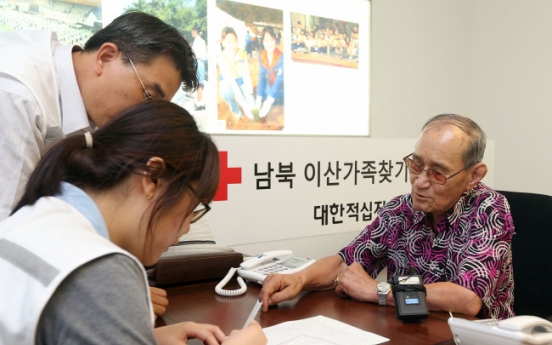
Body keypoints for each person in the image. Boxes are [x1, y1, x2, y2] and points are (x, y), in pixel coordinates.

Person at [0, 100, 267, 345]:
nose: (184, 230)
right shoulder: (100, 270)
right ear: (152, 177)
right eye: (191, 209)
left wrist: (140, 336)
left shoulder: (37, 214)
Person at [0, 10, 197, 317]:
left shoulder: (92, 110)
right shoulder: (15, 93)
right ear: (106, 57)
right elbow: (9, 243)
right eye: (148, 98)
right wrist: (103, 287)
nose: (145, 118)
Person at [260, 114, 515, 320]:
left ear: (473, 175)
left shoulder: (489, 209)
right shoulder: (402, 209)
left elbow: (467, 299)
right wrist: (298, 278)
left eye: (438, 173)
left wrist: (377, 290)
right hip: (409, 331)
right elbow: (345, 262)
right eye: (416, 166)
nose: (420, 183)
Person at [217, 26, 255, 120]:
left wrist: (249, 95)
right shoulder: (221, 57)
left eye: (235, 41)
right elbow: (231, 82)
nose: (233, 45)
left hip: (241, 80)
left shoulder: (242, 53)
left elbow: (246, 75)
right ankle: (236, 110)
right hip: (228, 81)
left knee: (252, 105)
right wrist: (244, 106)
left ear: (237, 40)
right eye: (229, 42)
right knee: (225, 91)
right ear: (223, 43)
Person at [256, 26, 284, 119]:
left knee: (275, 96)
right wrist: (258, 99)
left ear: (276, 40)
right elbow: (261, 77)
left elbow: (280, 80)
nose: (269, 43)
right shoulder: (261, 56)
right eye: (266, 40)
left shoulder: (281, 57)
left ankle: (275, 101)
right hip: (270, 85)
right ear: (263, 42)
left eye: (272, 40)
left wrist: (269, 101)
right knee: (263, 92)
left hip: (281, 87)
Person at [191, 26, 207, 111]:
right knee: (199, 85)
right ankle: (200, 102)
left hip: (198, 62)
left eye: (192, 31)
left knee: (199, 85)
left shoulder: (198, 41)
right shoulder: (200, 41)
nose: (191, 33)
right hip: (199, 62)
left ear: (195, 31)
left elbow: (196, 54)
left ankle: (200, 103)